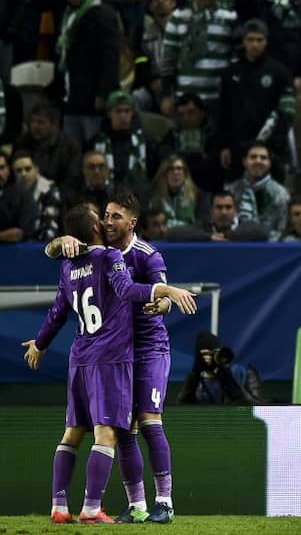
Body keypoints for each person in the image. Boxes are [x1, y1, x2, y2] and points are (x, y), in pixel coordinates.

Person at [22, 203, 194, 524]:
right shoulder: (107, 256)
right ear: (96, 227)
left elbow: (58, 310)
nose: (107, 220)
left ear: (132, 222)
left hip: (111, 353)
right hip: (113, 356)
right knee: (113, 433)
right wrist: (169, 290)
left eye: (115, 216)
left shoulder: (130, 255)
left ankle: (64, 505)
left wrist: (40, 343)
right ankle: (109, 507)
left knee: (98, 428)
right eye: (103, 216)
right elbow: (127, 290)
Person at [217, 18, 296, 180]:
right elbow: (224, 113)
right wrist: (224, 145)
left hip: (270, 148)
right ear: (243, 41)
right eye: (250, 40)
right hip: (238, 148)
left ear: (266, 42)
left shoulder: (280, 72)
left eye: (259, 40)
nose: (254, 44)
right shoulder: (230, 73)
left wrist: (277, 148)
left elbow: (286, 113)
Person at [159, 0, 238, 117]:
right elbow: (168, 59)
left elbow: (235, 59)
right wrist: (166, 95)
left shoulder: (229, 17)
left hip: (218, 97)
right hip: (185, 97)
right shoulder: (178, 16)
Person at [54, 0, 120, 144]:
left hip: (93, 98)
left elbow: (111, 57)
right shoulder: (66, 16)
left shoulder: (102, 14)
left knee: (95, 148)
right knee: (72, 148)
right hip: (72, 97)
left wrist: (103, 93)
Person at [225, 142, 291, 242]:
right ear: (244, 162)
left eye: (263, 158)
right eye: (253, 157)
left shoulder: (281, 194)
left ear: (270, 163)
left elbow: (282, 229)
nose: (258, 161)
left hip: (269, 250)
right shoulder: (230, 191)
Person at [177, 332, 266, 405]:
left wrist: (226, 377)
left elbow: (256, 407)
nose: (209, 358)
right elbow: (183, 408)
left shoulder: (242, 373)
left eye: (212, 353)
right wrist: (195, 373)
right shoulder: (196, 381)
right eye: (205, 354)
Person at [14, 101, 83, 187]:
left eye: (40, 122)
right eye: (32, 121)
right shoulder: (22, 143)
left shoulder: (70, 146)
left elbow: (72, 179)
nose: (34, 126)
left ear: (54, 125)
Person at [165, 190, 269, 242]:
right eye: (219, 207)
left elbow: (263, 232)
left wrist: (228, 236)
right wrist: (209, 237)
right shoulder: (203, 228)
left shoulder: (244, 226)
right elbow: (171, 233)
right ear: (211, 211)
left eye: (228, 207)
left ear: (235, 211)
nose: (224, 212)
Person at [11, 150, 63, 241]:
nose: (23, 174)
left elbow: (50, 229)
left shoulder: (49, 191)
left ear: (36, 169)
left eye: (28, 169)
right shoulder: (11, 191)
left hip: (42, 245)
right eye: (19, 171)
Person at [149, 155, 207, 229]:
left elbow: (202, 224)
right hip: (162, 238)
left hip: (190, 237)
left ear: (185, 173)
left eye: (179, 169)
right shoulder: (154, 196)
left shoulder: (198, 195)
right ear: (164, 173)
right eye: (171, 169)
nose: (176, 173)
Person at [0, 150, 38, 243]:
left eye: (2, 167)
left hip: (18, 251)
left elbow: (19, 233)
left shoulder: (23, 193)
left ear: (9, 169)